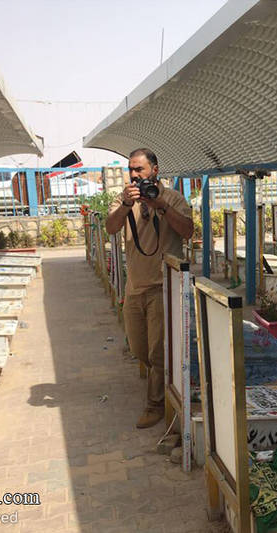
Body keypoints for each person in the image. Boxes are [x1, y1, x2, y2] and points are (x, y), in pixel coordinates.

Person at [106, 148, 193, 428]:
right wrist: (124, 205)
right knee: (139, 348)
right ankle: (169, 380)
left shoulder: (173, 198)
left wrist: (161, 207)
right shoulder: (123, 198)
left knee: (157, 351)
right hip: (135, 286)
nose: (134, 175)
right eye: (130, 170)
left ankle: (155, 404)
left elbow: (188, 231)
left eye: (139, 170)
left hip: (163, 286)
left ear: (154, 170)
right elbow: (110, 227)